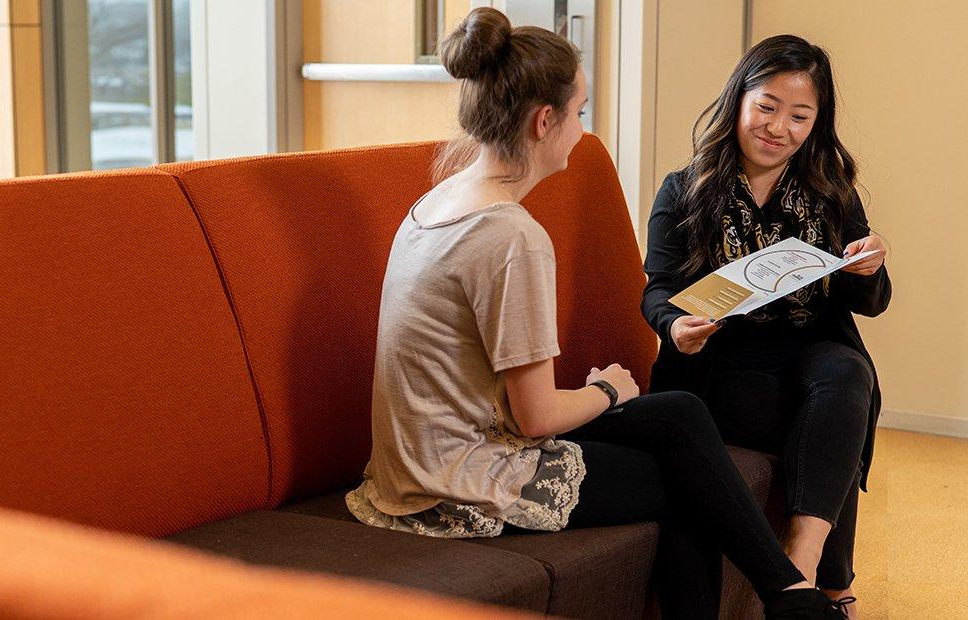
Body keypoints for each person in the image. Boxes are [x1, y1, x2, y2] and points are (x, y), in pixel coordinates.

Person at [346, 8, 848, 619]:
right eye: (579, 113)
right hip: (457, 478)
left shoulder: (438, 200)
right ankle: (792, 598)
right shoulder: (511, 237)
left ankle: (787, 595)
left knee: (682, 415)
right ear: (542, 121)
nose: (583, 132)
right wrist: (609, 391)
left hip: (414, 458)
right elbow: (535, 418)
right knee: (693, 482)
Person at [642, 34, 892, 618]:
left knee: (847, 372)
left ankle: (799, 571)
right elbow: (657, 288)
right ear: (738, 101)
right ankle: (831, 588)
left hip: (806, 349)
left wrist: (868, 267)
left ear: (817, 123)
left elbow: (869, 303)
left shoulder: (830, 192)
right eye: (767, 106)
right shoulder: (686, 189)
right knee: (825, 415)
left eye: (799, 116)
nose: (779, 127)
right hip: (721, 358)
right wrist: (674, 325)